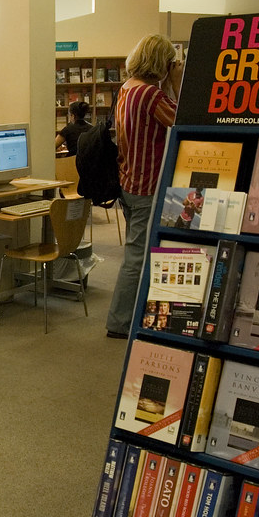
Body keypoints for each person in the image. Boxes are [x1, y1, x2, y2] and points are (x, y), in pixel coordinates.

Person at [105, 34, 183, 339]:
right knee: (136, 257)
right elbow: (182, 122)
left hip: (129, 182)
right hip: (147, 185)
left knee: (137, 252)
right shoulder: (151, 95)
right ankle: (119, 322)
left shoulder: (127, 89)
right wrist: (175, 85)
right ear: (161, 63)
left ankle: (133, 315)